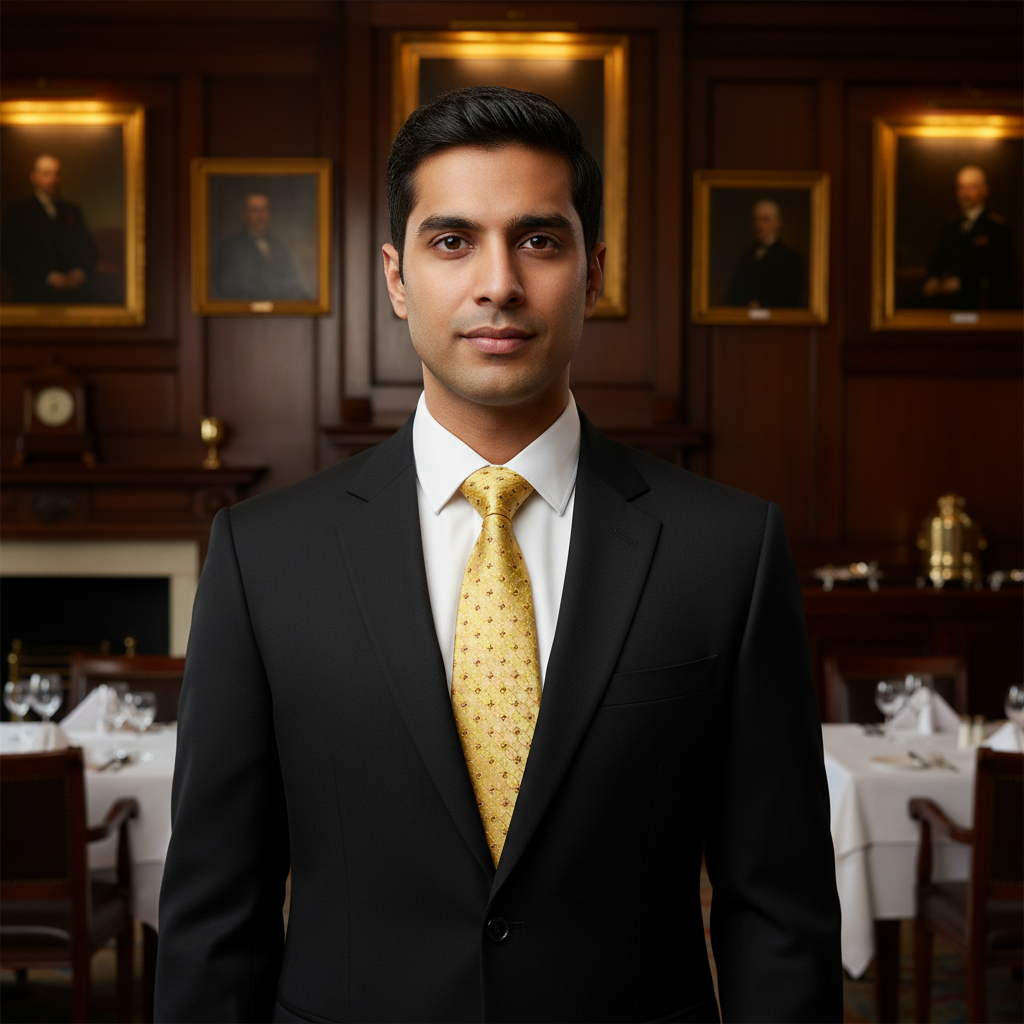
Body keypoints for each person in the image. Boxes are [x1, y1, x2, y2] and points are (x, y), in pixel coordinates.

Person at [156, 86, 842, 1023]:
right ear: (397, 278)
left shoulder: (728, 549)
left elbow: (780, 915)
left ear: (591, 270)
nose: (498, 284)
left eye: (538, 240)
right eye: (452, 242)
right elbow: (214, 920)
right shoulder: (262, 556)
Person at [0, 153, 98, 303]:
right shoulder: (18, 212)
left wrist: (80, 272)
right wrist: (49, 277)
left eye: (57, 174)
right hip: (34, 291)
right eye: (47, 174)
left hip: (73, 291)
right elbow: (10, 255)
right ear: (34, 177)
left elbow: (88, 249)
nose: (53, 179)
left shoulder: (72, 210)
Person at [921, 165, 1013, 309]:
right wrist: (933, 277)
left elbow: (1000, 274)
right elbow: (938, 259)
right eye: (961, 187)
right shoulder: (950, 225)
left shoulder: (998, 228)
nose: (965, 193)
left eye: (971, 187)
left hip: (983, 305)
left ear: (984, 191)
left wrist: (961, 283)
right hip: (949, 305)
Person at [211, 191, 308, 300]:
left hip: (279, 314)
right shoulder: (230, 248)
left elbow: (293, 287)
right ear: (245, 214)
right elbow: (226, 289)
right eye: (255, 210)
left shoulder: (280, 247)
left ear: (269, 213)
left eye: (264, 210)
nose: (260, 215)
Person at [722, 198, 803, 308]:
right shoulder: (747, 255)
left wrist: (762, 305)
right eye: (756, 220)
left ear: (777, 223)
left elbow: (791, 297)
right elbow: (732, 294)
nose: (758, 226)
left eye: (765, 220)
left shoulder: (790, 257)